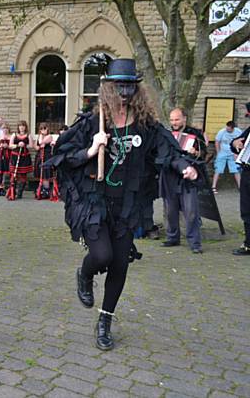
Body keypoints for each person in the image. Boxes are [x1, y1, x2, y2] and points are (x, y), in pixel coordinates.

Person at [50, 59, 199, 350]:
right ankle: (85, 273)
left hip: (128, 206)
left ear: (136, 90)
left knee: (119, 264)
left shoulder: (147, 126)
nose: (124, 92)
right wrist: (91, 149)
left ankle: (105, 320)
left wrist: (184, 166)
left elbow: (168, 151)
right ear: (108, 88)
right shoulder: (94, 121)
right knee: (102, 255)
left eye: (129, 86)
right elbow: (63, 155)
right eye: (119, 86)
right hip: (95, 202)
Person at [160, 107, 207, 253]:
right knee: (170, 210)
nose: (174, 122)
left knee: (191, 211)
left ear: (184, 118)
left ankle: (195, 243)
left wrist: (196, 152)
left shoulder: (195, 134)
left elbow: (204, 154)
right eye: (172, 119)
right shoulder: (166, 134)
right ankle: (173, 237)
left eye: (177, 119)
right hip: (170, 176)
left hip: (188, 178)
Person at [231, 128, 250, 255]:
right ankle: (249, 244)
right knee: (247, 210)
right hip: (248, 174)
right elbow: (234, 143)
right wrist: (235, 143)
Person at [212, 120, 242, 193]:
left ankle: (240, 187)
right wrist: (218, 152)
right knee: (218, 170)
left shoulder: (238, 131)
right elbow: (217, 142)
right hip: (223, 153)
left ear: (233, 128)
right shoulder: (222, 132)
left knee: (236, 170)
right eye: (226, 127)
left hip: (233, 153)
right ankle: (213, 187)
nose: (227, 129)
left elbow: (241, 141)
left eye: (229, 128)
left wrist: (238, 153)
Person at [8, 120, 33, 199]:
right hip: (15, 156)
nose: (21, 127)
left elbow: (31, 145)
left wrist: (24, 145)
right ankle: (13, 191)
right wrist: (17, 145)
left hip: (24, 157)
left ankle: (20, 193)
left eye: (23, 126)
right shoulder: (14, 135)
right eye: (20, 126)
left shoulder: (28, 135)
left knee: (23, 175)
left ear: (25, 127)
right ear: (18, 127)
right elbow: (10, 145)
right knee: (14, 174)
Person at [33, 123, 55, 200]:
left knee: (46, 173)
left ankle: (46, 190)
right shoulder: (39, 136)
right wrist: (37, 146)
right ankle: (40, 189)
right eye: (41, 129)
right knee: (40, 173)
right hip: (40, 156)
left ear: (47, 129)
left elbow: (42, 142)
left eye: (44, 128)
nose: (43, 130)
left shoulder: (49, 136)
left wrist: (41, 139)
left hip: (46, 156)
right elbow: (35, 146)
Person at [0, 124, 12, 196]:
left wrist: (8, 146)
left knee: (7, 172)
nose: (5, 129)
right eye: (4, 128)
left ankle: (7, 187)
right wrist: (1, 146)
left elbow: (13, 147)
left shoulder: (11, 137)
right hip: (1, 155)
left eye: (6, 128)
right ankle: (0, 188)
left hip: (9, 156)